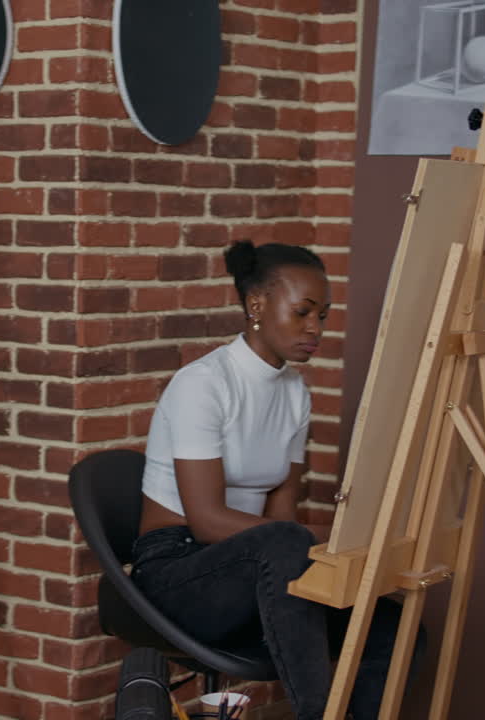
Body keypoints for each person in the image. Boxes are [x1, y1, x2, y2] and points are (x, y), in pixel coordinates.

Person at [131, 240, 407, 720]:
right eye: (303, 312)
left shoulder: (295, 394)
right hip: (177, 568)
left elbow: (281, 518)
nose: (315, 328)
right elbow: (207, 522)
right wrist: (326, 539)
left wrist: (339, 546)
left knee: (392, 623)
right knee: (283, 542)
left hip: (253, 567)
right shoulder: (204, 383)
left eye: (322, 315)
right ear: (256, 306)